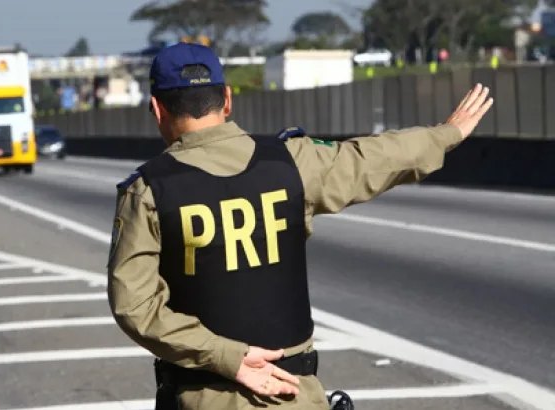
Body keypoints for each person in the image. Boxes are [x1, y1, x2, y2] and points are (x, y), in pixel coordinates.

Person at [106, 42, 493, 410]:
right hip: (294, 395)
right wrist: (447, 133)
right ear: (227, 99)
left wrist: (231, 359)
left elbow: (135, 306)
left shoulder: (148, 192)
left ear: (156, 109)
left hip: (206, 394)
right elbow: (373, 158)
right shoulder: (291, 161)